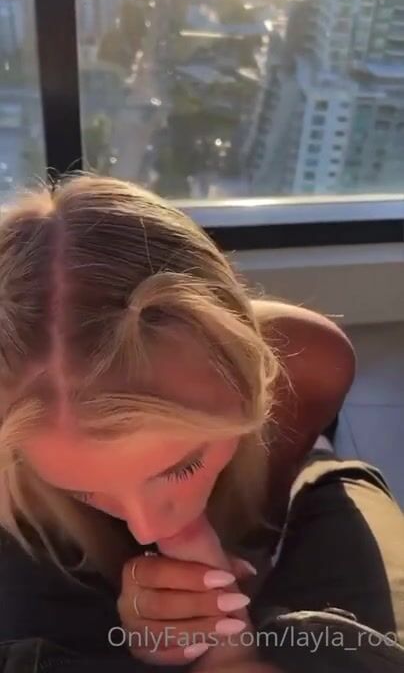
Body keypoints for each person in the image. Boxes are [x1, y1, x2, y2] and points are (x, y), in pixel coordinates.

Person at [0, 174, 402, 673]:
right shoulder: (13, 474)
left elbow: (263, 522)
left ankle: (322, 466)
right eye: (82, 489)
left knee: (334, 488)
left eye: (182, 466)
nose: (149, 525)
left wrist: (215, 598)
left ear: (249, 378)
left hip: (278, 485)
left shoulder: (309, 365)